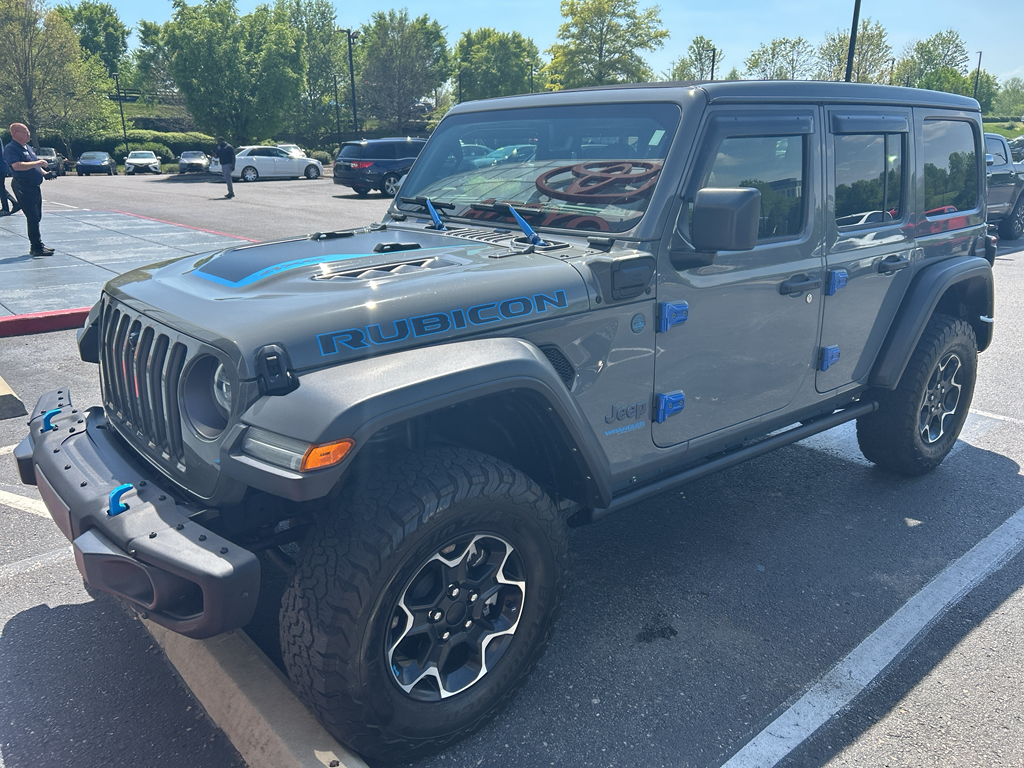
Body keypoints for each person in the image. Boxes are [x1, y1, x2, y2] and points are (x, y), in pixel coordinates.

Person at [3, 123, 50, 255]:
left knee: (38, 216)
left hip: (34, 186)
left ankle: (38, 244)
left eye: (28, 132)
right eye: (25, 132)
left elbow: (32, 164)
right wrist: (37, 163)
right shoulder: (11, 148)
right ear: (15, 133)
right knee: (32, 216)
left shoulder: (27, 147)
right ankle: (36, 247)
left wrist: (44, 173)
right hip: (23, 185)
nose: (28, 134)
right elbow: (17, 166)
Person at [0, 134, 20, 217]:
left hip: (1, 166)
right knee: (1, 187)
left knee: (1, 187)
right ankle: (14, 203)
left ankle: (6, 208)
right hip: (2, 166)